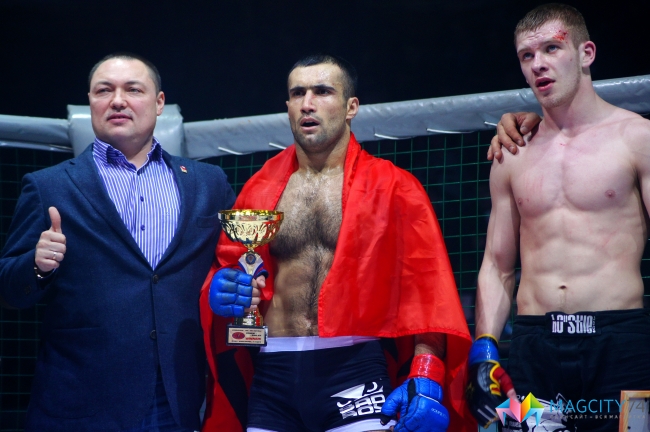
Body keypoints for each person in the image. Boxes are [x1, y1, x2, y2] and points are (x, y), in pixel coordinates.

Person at [199, 54, 477, 432]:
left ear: (351, 107)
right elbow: (231, 268)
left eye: (322, 91)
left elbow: (429, 294)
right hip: (273, 371)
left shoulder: (395, 187)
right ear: (287, 106)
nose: (307, 103)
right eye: (298, 93)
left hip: (354, 366)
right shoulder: (260, 188)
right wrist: (220, 289)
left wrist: (426, 373)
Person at [0, 53, 235, 431]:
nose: (118, 100)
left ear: (159, 103)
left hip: (177, 398)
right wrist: (37, 265)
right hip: (80, 403)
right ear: (90, 102)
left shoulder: (209, 183)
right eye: (104, 90)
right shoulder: (48, 186)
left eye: (134, 90)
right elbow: (8, 290)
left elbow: (233, 267)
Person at [467, 4, 650, 431]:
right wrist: (485, 350)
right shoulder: (512, 151)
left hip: (621, 346)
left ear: (586, 53)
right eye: (527, 55)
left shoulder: (637, 138)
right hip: (534, 347)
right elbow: (497, 265)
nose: (538, 64)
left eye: (552, 48)